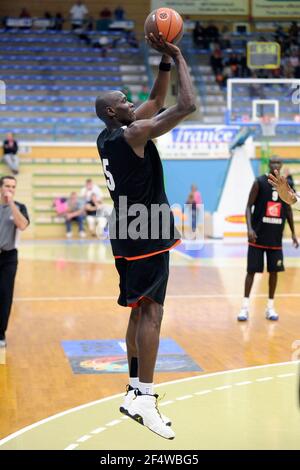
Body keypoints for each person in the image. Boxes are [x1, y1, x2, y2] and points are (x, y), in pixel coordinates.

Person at [95, 33, 196, 439]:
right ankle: (147, 399)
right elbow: (186, 105)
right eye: (123, 101)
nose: (130, 102)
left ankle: (135, 389)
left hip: (126, 229)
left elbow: (154, 102)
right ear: (111, 111)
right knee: (152, 312)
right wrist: (179, 54)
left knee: (139, 310)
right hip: (145, 230)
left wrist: (165, 66)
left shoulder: (109, 136)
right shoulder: (132, 135)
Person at [237, 157, 298, 322]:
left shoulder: (285, 186)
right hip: (257, 236)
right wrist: (249, 228)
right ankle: (244, 307)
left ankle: (270, 307)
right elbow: (248, 206)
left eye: (278, 163)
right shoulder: (259, 182)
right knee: (251, 271)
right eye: (273, 163)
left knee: (274, 273)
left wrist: (293, 233)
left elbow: (289, 210)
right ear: (269, 165)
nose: (275, 165)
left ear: (282, 165)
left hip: (275, 238)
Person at [0, 176, 30, 348]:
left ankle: (1, 333)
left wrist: (10, 203)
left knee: (5, 295)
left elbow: (23, 225)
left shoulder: (19, 207)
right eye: (7, 186)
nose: (10, 189)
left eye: (13, 187)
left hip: (8, 258)